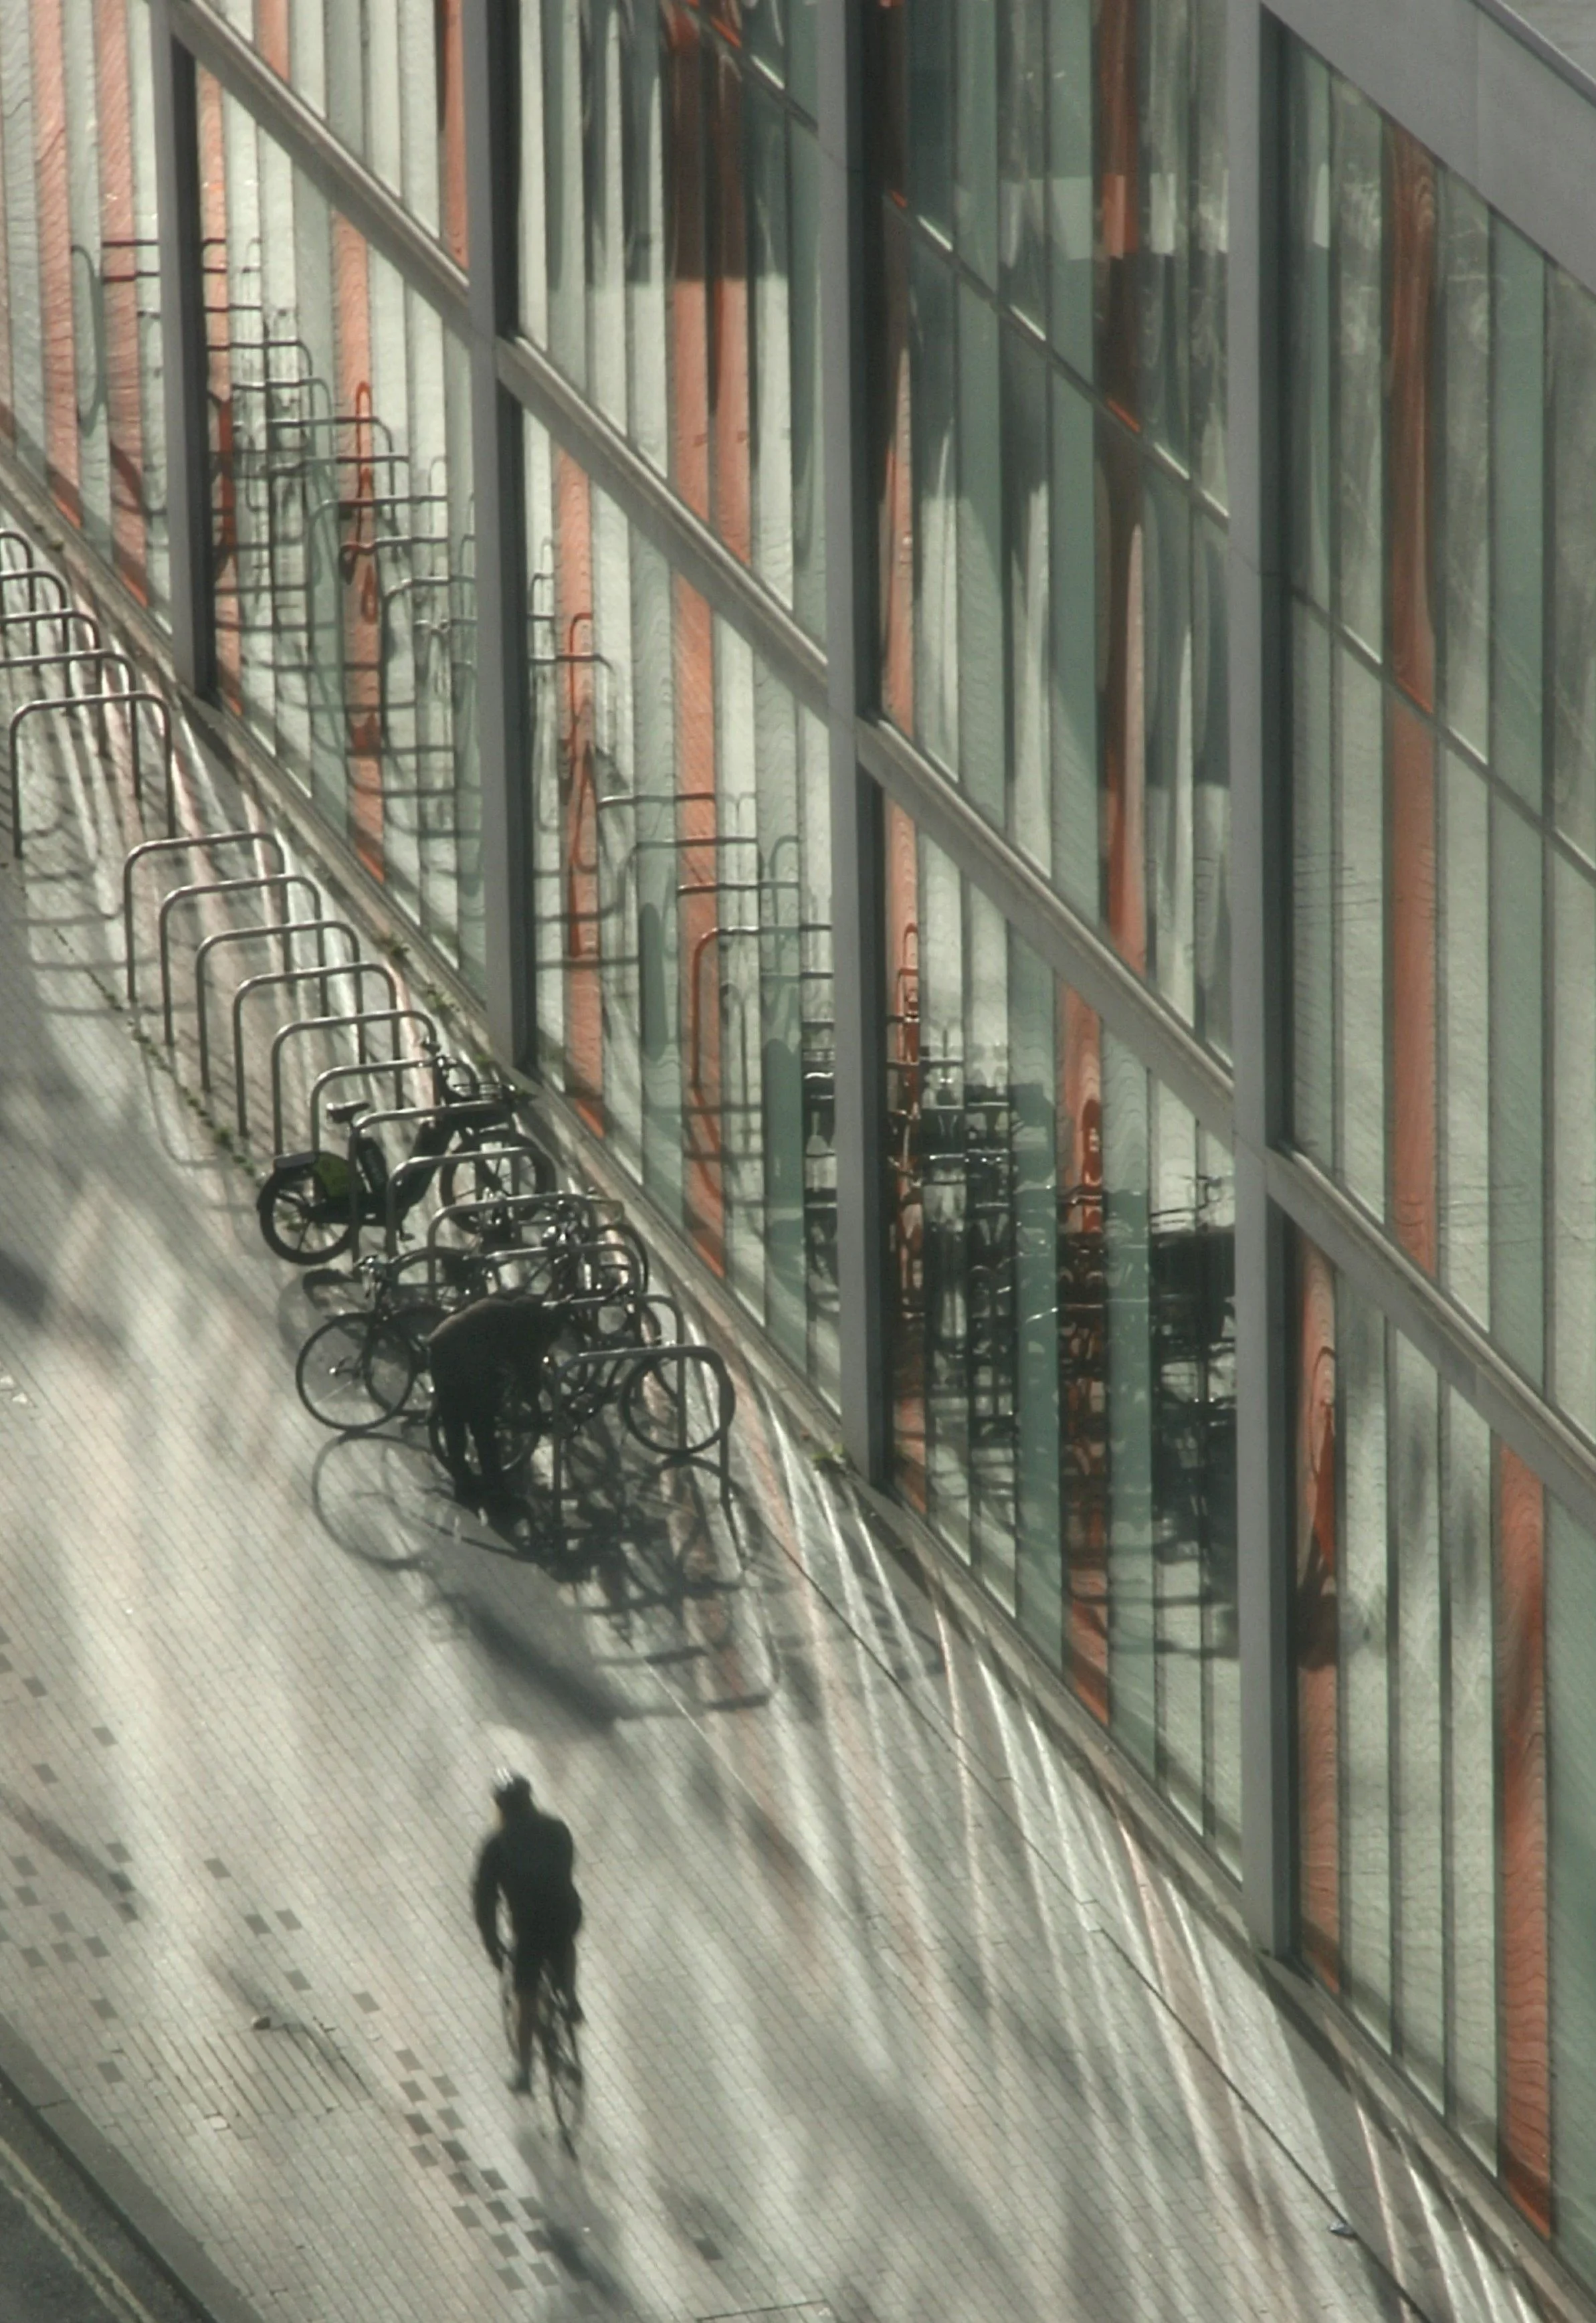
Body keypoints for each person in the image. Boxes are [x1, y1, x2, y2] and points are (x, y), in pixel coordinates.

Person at [472, 1769, 584, 2094]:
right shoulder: (557, 1829)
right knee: (565, 1941)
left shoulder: (496, 1845)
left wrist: (493, 1944)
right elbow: (567, 1866)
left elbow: (485, 1900)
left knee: (525, 1996)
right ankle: (570, 1996)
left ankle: (524, 2070)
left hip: (529, 1928)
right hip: (566, 1914)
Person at [427, 1291, 564, 1501]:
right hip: (462, 1358)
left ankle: (464, 1483)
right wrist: (534, 1402)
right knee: (482, 1425)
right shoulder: (524, 1330)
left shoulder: (504, 1307)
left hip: (443, 1344)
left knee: (453, 1421)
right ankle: (494, 1489)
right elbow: (527, 1372)